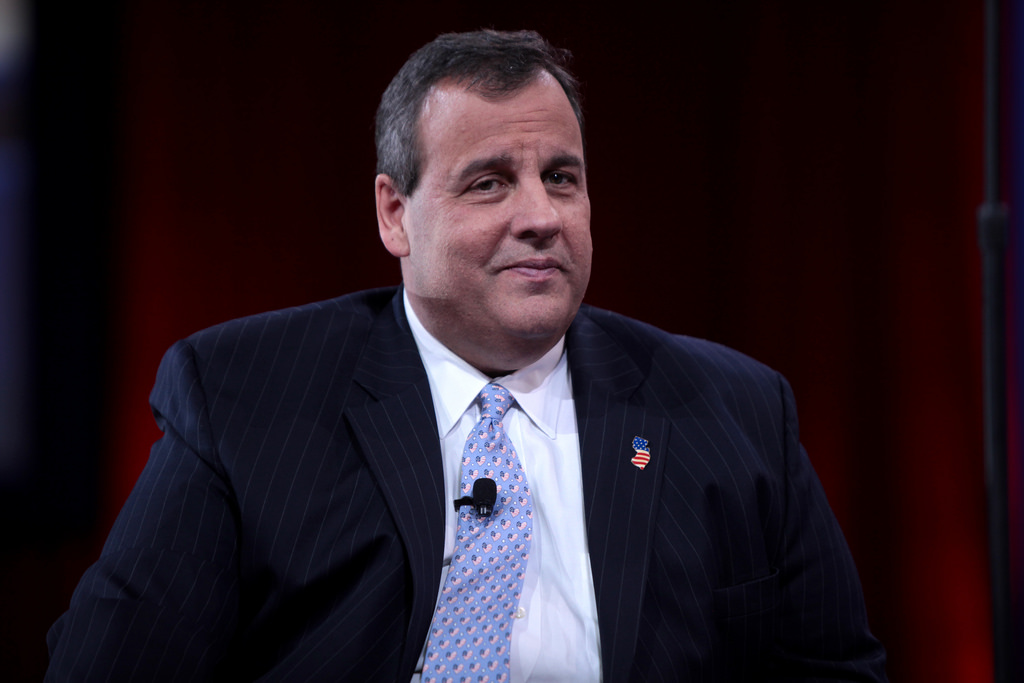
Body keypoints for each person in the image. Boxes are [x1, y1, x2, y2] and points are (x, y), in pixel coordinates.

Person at [46, 29, 887, 682]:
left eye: (562, 178)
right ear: (395, 214)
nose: (541, 216)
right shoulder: (245, 396)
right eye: (489, 182)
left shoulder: (735, 410)